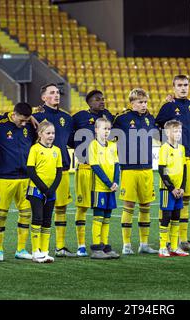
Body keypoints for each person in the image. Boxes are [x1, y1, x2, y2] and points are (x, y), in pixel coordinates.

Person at [156, 75, 190, 251]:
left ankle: (182, 240)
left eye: (186, 85)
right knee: (167, 201)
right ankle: (165, 240)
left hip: (188, 158)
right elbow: (157, 125)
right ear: (173, 87)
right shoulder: (168, 107)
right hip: (172, 160)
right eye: (180, 85)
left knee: (185, 199)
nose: (183, 88)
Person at [112, 88, 158, 255]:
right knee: (129, 205)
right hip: (129, 169)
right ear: (132, 103)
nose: (143, 105)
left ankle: (144, 244)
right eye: (140, 102)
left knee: (146, 206)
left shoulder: (150, 119)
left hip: (147, 168)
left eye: (145, 102)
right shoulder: (122, 119)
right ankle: (126, 244)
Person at [32, 83, 76, 257]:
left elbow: (71, 141)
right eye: (52, 93)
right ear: (43, 97)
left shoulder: (67, 117)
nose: (56, 95)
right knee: (38, 210)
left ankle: (60, 246)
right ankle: (38, 248)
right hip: (42, 171)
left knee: (61, 208)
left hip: (62, 169)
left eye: (57, 92)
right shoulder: (36, 117)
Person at [0, 102, 36, 261]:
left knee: (26, 214)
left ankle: (21, 249)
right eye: (21, 120)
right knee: (1, 214)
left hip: (25, 177)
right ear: (14, 114)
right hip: (5, 178)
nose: (24, 124)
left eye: (26, 120)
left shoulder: (30, 126)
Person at [71, 90, 113, 257]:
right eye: (97, 99)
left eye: (103, 99)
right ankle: (81, 245)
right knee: (82, 206)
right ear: (89, 102)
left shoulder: (108, 115)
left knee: (101, 208)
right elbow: (69, 136)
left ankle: (101, 244)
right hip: (86, 169)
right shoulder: (79, 117)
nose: (102, 102)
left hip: (102, 171)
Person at [26, 121, 63, 263]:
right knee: (38, 218)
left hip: (50, 191)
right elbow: (31, 170)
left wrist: (52, 189)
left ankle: (45, 251)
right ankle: (36, 252)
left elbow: (59, 172)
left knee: (47, 220)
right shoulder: (34, 149)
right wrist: (43, 188)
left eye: (53, 133)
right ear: (40, 134)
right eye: (48, 133)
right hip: (36, 190)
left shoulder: (57, 151)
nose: (51, 136)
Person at [88, 118, 120, 259]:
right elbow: (95, 167)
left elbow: (117, 165)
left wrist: (115, 182)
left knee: (107, 218)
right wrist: (108, 183)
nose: (106, 131)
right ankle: (96, 248)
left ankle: (105, 246)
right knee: (98, 217)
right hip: (99, 188)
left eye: (108, 129)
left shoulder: (113, 145)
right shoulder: (93, 145)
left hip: (110, 188)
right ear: (96, 130)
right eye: (103, 128)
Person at [158, 120, 189, 257]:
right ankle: (162, 247)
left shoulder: (181, 148)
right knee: (166, 217)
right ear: (167, 132)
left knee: (176, 217)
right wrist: (171, 188)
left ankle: (175, 247)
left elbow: (184, 169)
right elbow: (162, 170)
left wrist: (182, 187)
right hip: (167, 189)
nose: (178, 134)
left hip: (179, 190)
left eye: (179, 131)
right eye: (175, 131)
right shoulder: (164, 148)